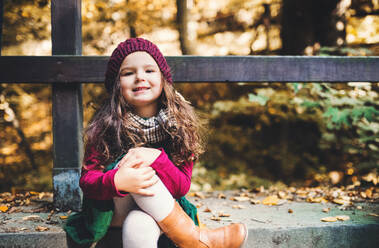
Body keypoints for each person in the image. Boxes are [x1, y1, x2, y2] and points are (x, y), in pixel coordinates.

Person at [65, 37, 248, 248]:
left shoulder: (180, 126)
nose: (139, 77)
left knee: (138, 226)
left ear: (163, 79)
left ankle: (195, 240)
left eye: (149, 70)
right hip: (113, 210)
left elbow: (181, 186)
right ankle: (196, 240)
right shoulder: (104, 127)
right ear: (117, 84)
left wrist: (158, 158)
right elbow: (88, 181)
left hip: (160, 213)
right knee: (135, 163)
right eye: (128, 73)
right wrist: (117, 180)